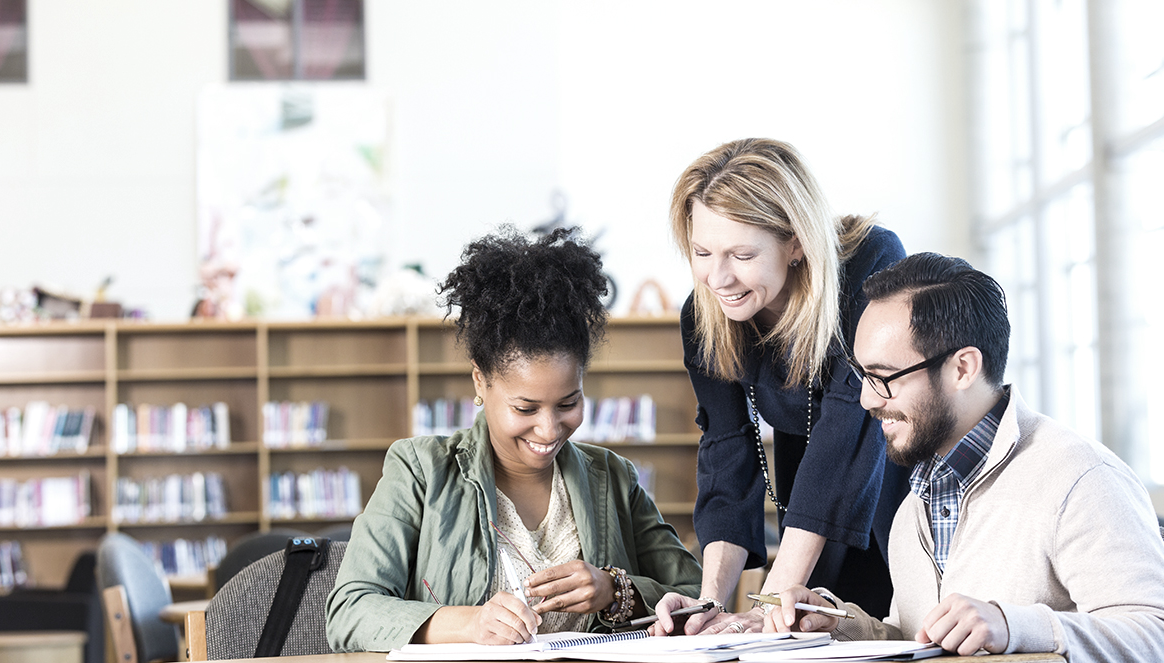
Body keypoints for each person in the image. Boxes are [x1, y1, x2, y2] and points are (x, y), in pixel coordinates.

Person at [767, 253, 1164, 660]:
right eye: (862, 375)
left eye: (883, 377)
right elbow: (923, 644)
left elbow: (1153, 634)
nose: (867, 399)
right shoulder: (912, 506)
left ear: (962, 369)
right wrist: (840, 625)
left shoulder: (1082, 479)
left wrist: (1011, 626)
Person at [325, 227, 702, 652]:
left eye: (568, 404)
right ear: (480, 381)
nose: (549, 429)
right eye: (525, 408)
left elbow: (696, 596)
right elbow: (350, 611)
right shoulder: (420, 471)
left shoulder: (613, 477)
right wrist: (470, 624)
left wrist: (615, 592)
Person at [654, 138, 910, 634]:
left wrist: (769, 602)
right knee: (802, 633)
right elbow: (727, 453)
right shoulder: (703, 315)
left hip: (897, 481)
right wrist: (708, 605)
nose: (717, 277)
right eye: (702, 252)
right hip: (809, 496)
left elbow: (847, 432)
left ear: (795, 243)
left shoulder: (870, 264)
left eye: (741, 254)